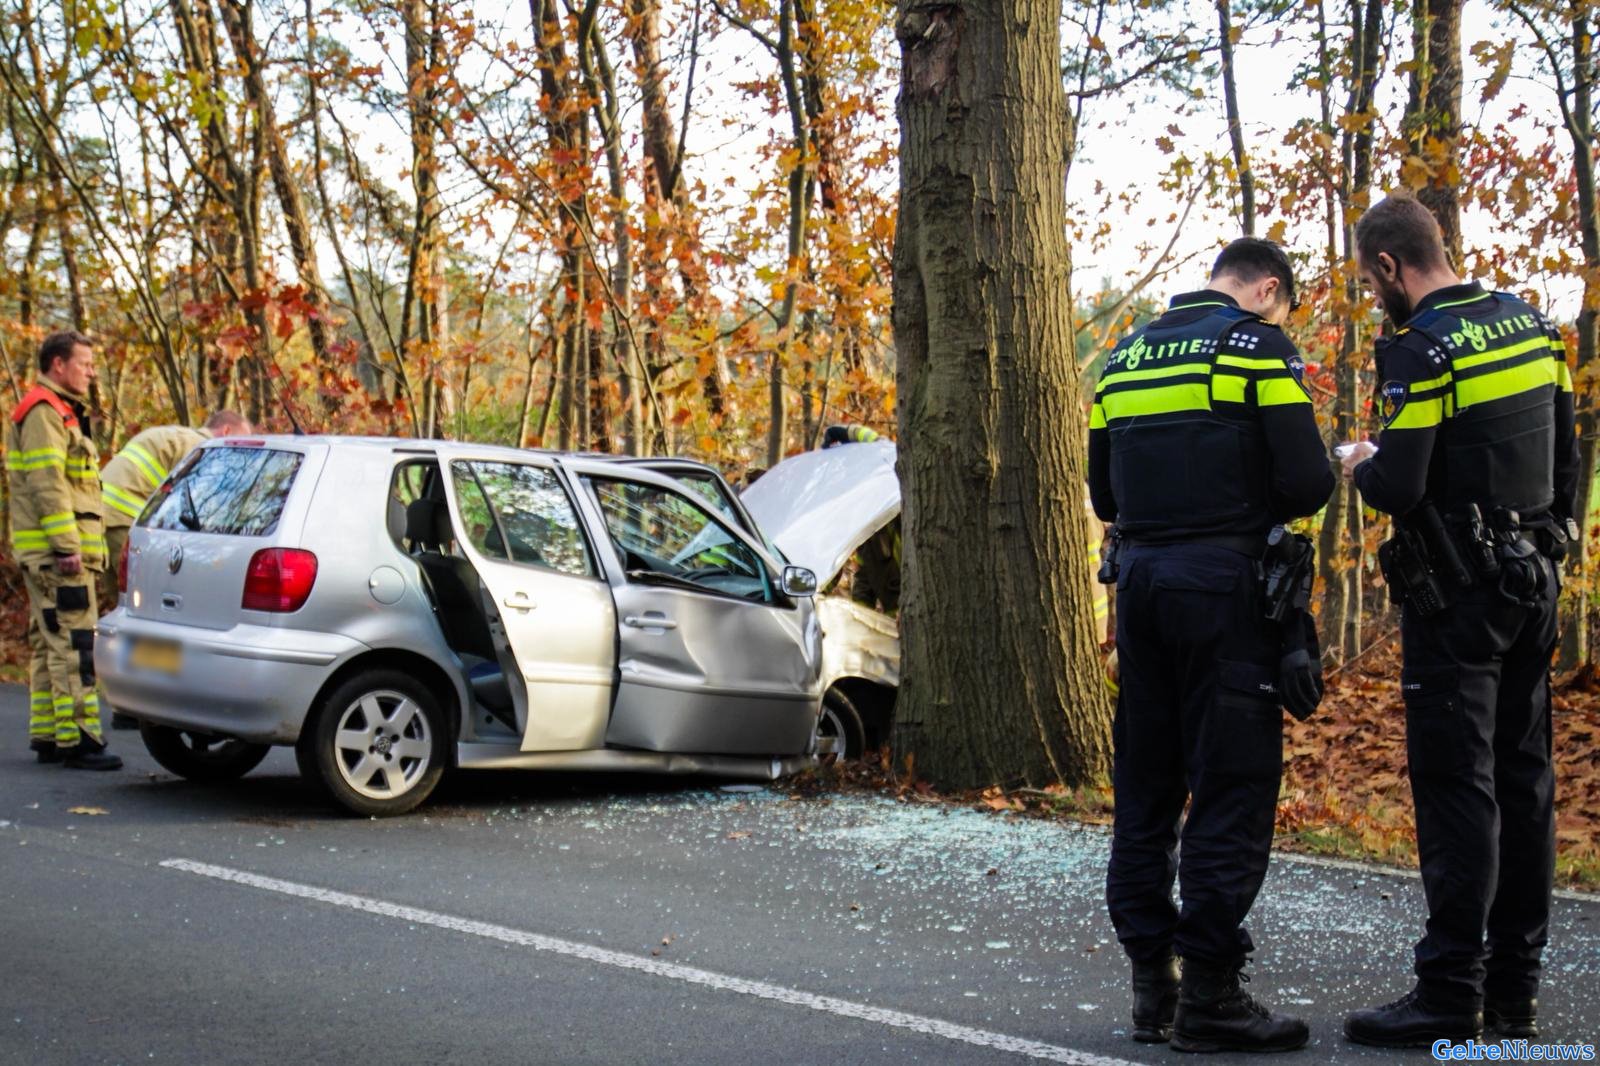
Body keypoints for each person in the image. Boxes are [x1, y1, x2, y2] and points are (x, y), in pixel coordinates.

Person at [1340, 194, 1577, 1047]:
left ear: (1392, 266)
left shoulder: (1422, 349)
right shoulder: (1532, 327)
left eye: (1372, 283)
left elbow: (1402, 485)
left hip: (1458, 599)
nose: (1377, 298)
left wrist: (1361, 462)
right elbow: (1568, 457)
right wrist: (1554, 545)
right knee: (1524, 782)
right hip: (1533, 582)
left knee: (1457, 789)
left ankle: (1449, 993)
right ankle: (1514, 993)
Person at [1089, 238, 1334, 1052]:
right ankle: (1211, 996)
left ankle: (1151, 983)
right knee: (1230, 787)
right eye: (1283, 305)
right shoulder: (1258, 348)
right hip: (1225, 591)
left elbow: (1104, 494)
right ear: (1267, 289)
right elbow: (1308, 483)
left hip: (1140, 590)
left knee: (1147, 786)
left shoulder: (1124, 357)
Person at [5, 331, 121, 770]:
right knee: (75, 645)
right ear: (58, 364)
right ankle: (81, 740)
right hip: (60, 558)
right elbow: (48, 485)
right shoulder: (45, 412)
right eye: (84, 363)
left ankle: (51, 735)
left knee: (48, 642)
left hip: (51, 555)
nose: (91, 372)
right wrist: (67, 546)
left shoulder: (56, 411)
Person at [100, 411, 251, 579]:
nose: (241, 452)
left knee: (116, 591)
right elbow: (195, 507)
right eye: (241, 442)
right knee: (141, 588)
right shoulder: (199, 448)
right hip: (125, 518)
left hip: (102, 516)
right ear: (226, 431)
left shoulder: (172, 435)